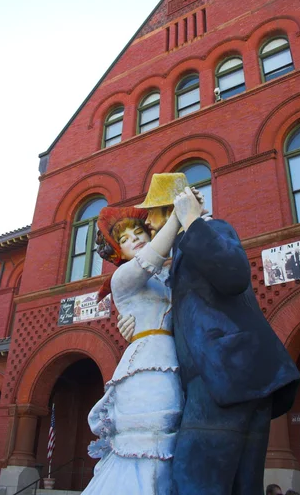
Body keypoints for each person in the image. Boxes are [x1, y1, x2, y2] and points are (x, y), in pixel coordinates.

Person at [119, 173, 300, 495]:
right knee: (240, 487)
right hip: (235, 380)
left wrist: (191, 218)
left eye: (151, 214)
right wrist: (139, 327)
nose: (147, 224)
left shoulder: (209, 231)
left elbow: (233, 275)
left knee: (194, 481)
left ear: (172, 207)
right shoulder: (183, 255)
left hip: (224, 377)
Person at [82, 205, 184, 495]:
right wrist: (178, 216)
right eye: (125, 239)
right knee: (149, 438)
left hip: (174, 359)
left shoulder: (167, 278)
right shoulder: (123, 278)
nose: (135, 239)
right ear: (119, 252)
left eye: (139, 232)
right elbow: (149, 261)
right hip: (147, 365)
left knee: (171, 441)